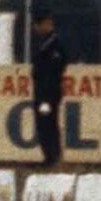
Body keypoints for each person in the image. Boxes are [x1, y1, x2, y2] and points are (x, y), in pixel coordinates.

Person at [30, 9, 67, 167]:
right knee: (42, 126)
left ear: (47, 24)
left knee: (49, 125)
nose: (35, 28)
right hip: (40, 90)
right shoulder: (43, 43)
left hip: (49, 91)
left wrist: (46, 98)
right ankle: (48, 156)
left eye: (38, 24)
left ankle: (53, 157)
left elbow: (53, 71)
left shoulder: (55, 44)